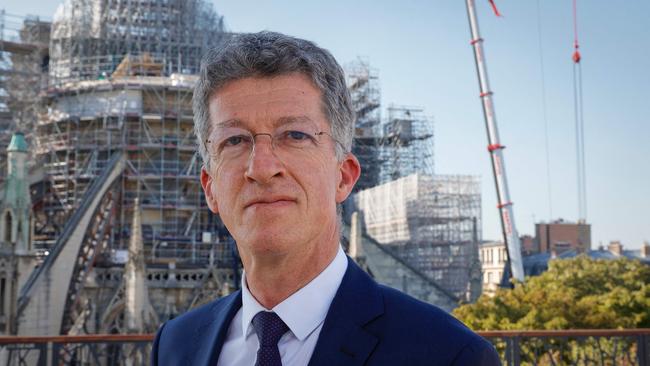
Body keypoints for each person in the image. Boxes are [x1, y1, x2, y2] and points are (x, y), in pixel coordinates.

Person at [151, 31, 500, 366]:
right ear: (210, 187)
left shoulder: (448, 355)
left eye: (295, 135)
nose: (262, 167)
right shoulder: (175, 347)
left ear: (344, 176)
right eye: (235, 140)